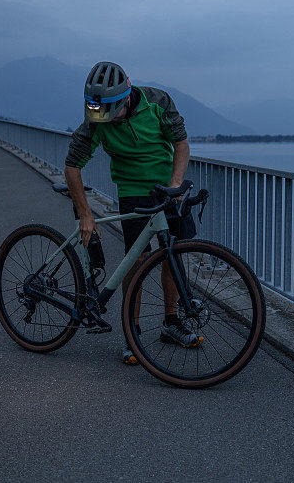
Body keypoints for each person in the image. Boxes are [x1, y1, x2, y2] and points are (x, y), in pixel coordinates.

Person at [64, 61, 201, 365]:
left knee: (173, 255)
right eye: (101, 112)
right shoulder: (97, 118)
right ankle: (132, 331)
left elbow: (180, 143)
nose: (106, 119)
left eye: (112, 110)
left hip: (167, 186)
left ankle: (171, 323)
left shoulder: (158, 101)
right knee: (135, 261)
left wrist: (176, 185)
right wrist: (85, 214)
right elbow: (72, 166)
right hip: (131, 192)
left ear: (126, 98)